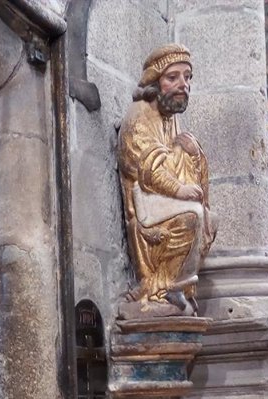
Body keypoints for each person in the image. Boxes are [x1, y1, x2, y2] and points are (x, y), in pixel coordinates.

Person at [116, 43, 218, 317]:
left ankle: (178, 288)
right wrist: (180, 188)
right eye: (173, 78)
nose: (183, 84)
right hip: (145, 204)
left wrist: (194, 155)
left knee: (209, 219)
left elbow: (175, 161)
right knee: (191, 218)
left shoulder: (169, 117)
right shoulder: (139, 117)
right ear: (154, 82)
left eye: (187, 77)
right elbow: (148, 167)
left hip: (163, 201)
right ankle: (158, 289)